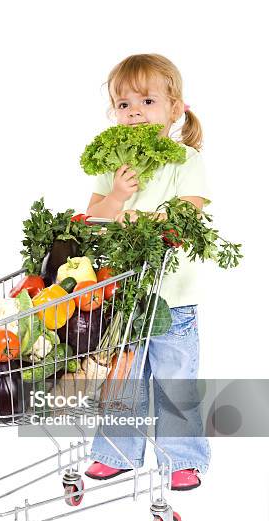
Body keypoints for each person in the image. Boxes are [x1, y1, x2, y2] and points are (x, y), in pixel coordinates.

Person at [84, 53, 211, 491]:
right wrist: (117, 196)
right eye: (124, 104)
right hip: (123, 296)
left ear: (175, 110)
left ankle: (182, 460)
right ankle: (115, 453)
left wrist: (135, 220)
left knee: (175, 383)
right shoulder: (113, 164)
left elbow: (186, 215)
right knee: (123, 379)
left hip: (172, 297)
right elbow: (94, 219)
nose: (134, 111)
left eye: (148, 101)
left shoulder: (185, 160)